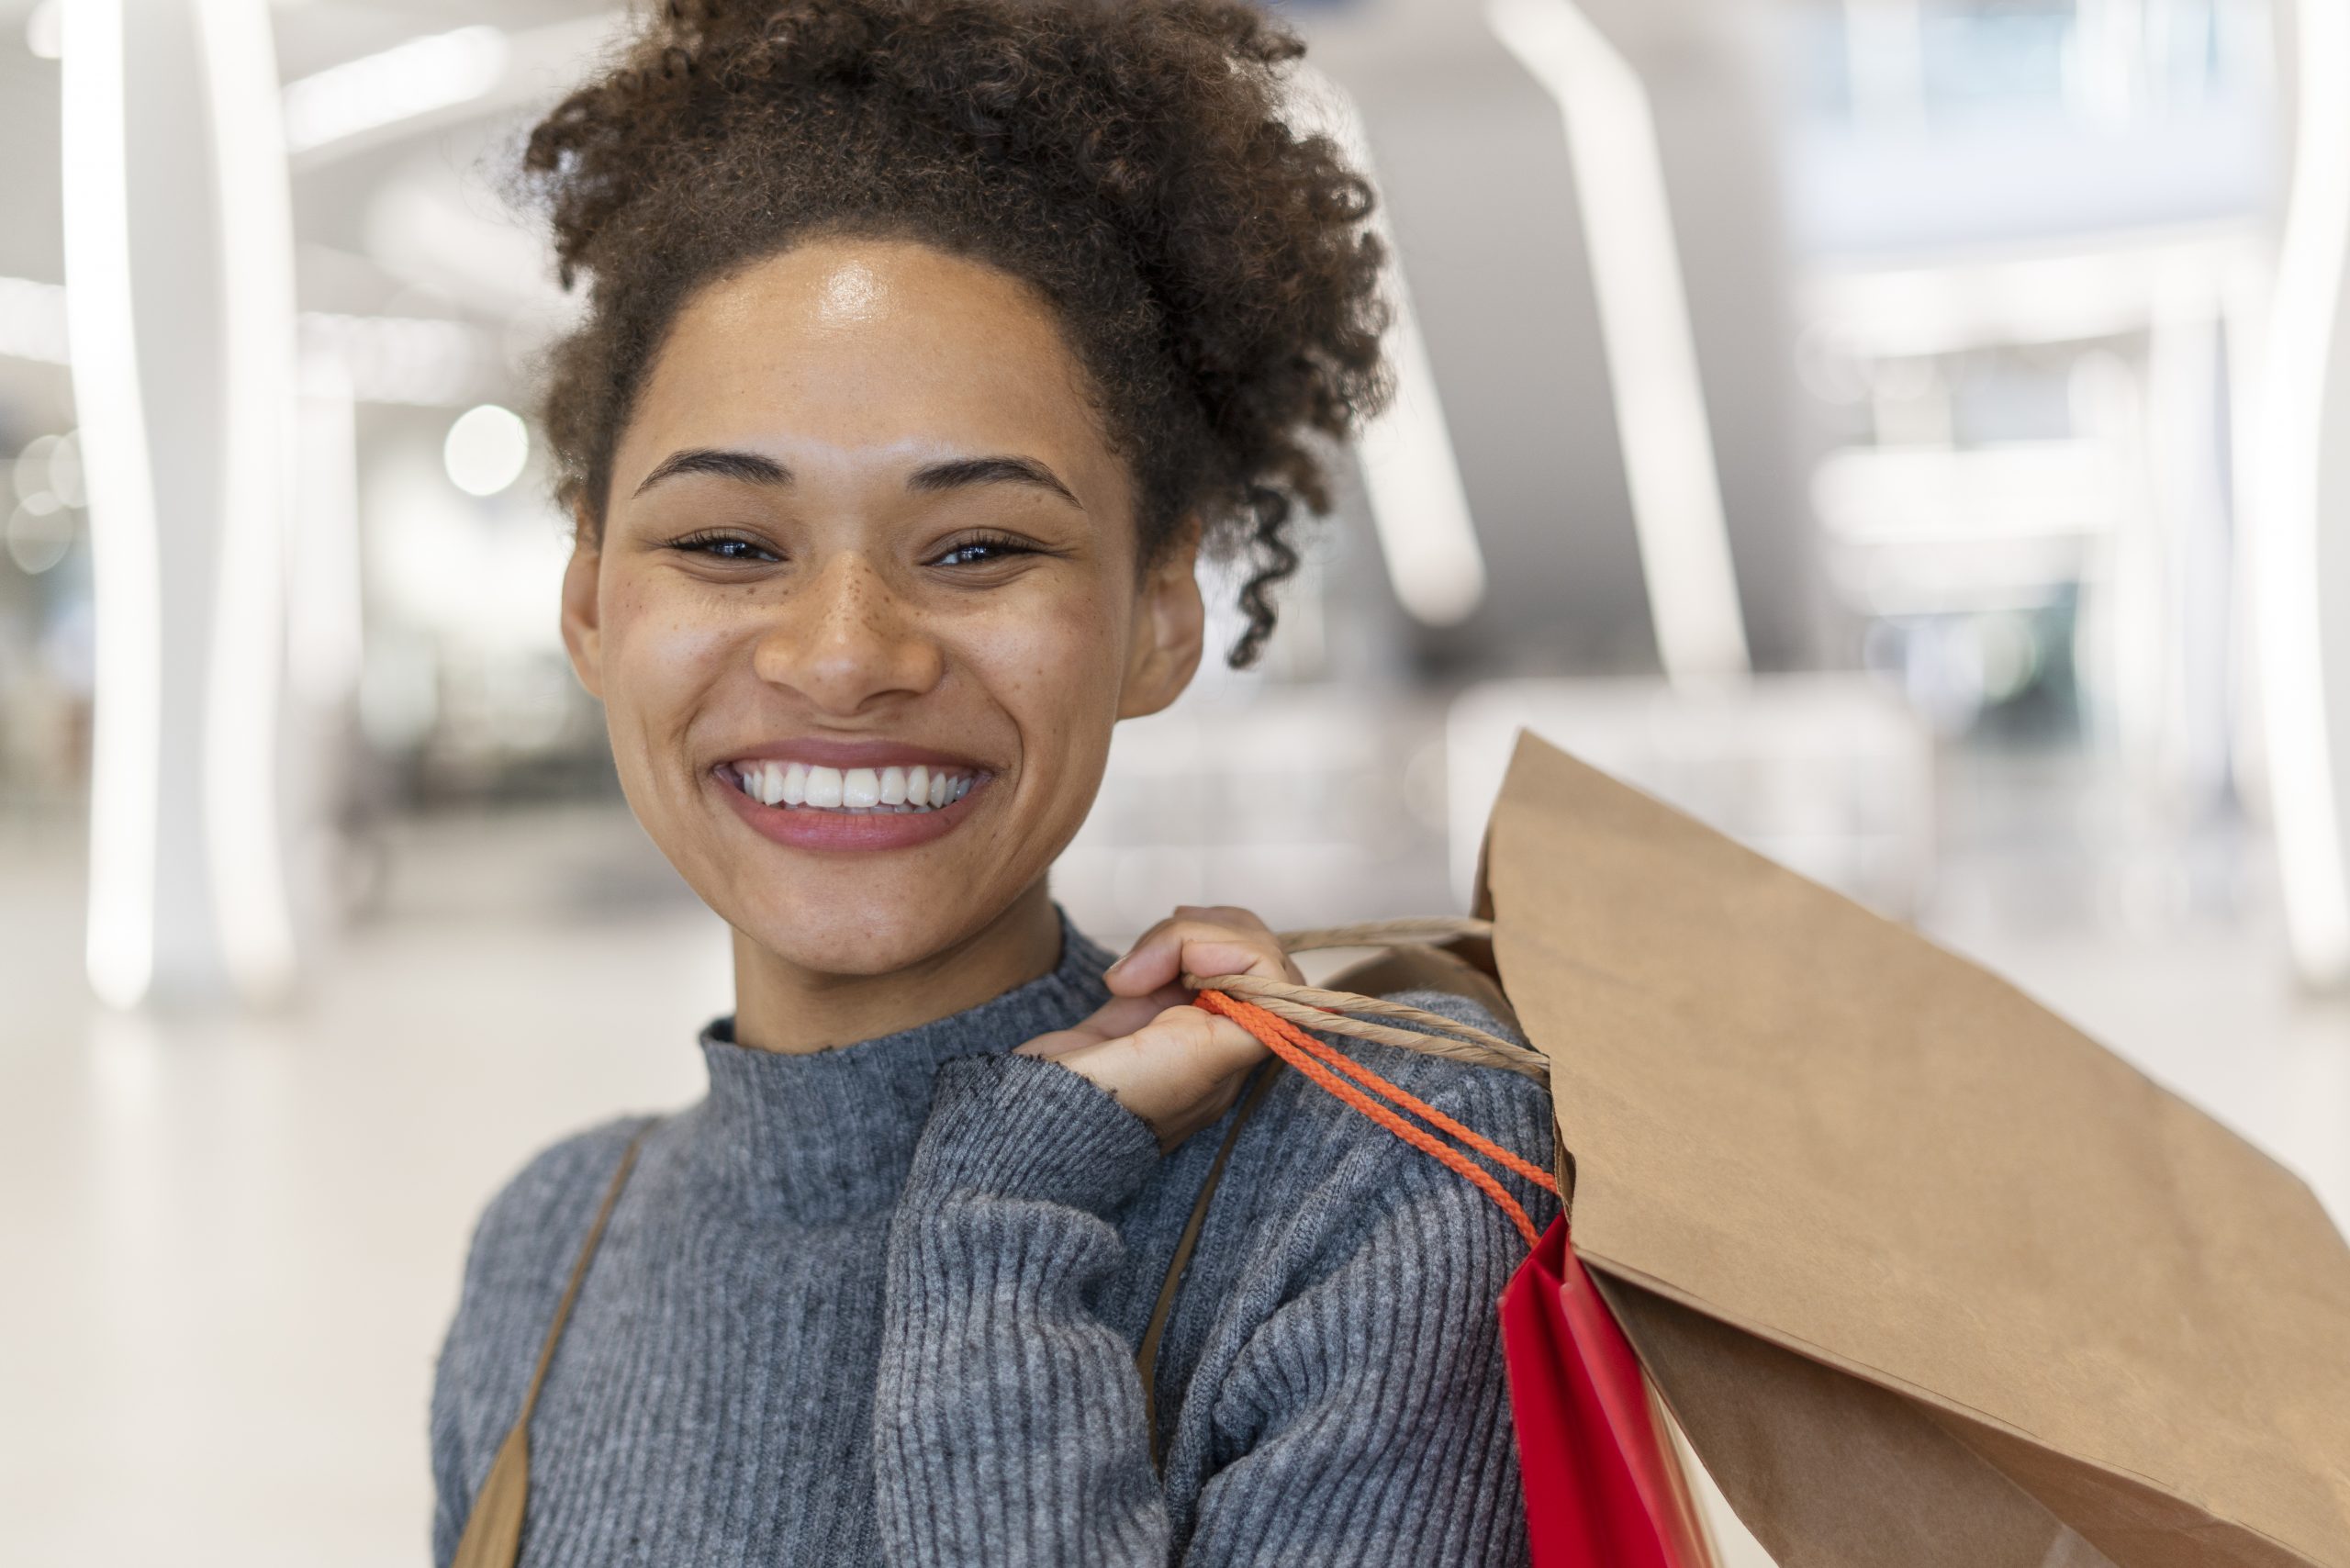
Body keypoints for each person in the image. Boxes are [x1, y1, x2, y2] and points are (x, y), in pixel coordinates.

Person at [427, 0, 1557, 1561]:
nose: (844, 658)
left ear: (1159, 617)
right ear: (589, 608)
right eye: (730, 543)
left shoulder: (1385, 1180)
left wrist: (999, 1224)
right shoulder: (552, 1246)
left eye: (977, 549)